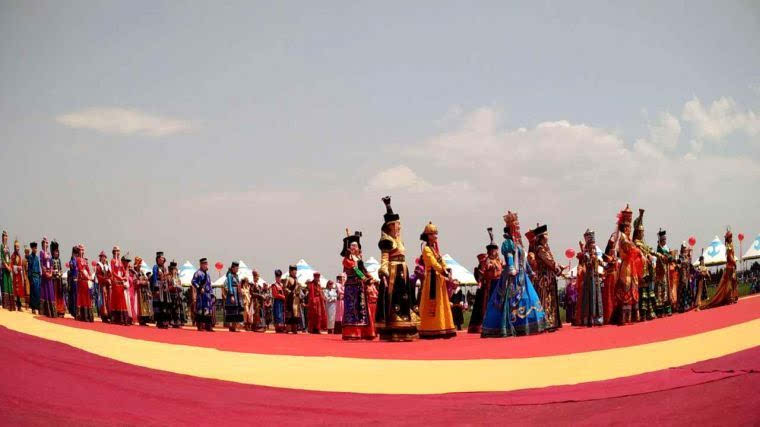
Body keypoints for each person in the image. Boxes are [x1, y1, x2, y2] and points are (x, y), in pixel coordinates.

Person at [375, 196, 418, 341]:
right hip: (393, 272)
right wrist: (384, 274)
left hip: (402, 270)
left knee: (405, 298)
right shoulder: (386, 241)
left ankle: (406, 329)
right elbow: (384, 259)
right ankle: (394, 330)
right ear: (390, 226)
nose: (398, 227)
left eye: (399, 225)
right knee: (395, 299)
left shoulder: (399, 240)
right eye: (396, 225)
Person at [418, 222, 456, 339]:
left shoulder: (435, 250)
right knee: (432, 303)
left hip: (439, 278)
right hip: (432, 279)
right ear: (428, 236)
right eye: (433, 234)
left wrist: (447, 271)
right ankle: (431, 328)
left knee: (442, 302)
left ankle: (442, 327)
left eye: (436, 234)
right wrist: (443, 271)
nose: (436, 236)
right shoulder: (427, 249)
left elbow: (440, 261)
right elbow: (433, 263)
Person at [341, 231, 376, 340]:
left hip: (360, 287)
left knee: (362, 310)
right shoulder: (347, 260)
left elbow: (363, 270)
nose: (354, 248)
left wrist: (370, 277)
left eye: (356, 246)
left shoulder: (359, 260)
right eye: (352, 246)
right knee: (352, 310)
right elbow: (355, 270)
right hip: (351, 287)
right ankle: (352, 333)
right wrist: (365, 279)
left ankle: (365, 332)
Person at [614, 205, 643, 325]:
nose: (630, 229)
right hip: (626, 266)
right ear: (625, 229)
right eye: (629, 227)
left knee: (633, 287)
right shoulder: (624, 239)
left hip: (631, 267)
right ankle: (625, 317)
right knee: (626, 288)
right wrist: (638, 251)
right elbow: (632, 250)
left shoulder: (628, 239)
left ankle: (633, 315)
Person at [533, 224, 564, 331]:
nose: (548, 236)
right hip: (544, 278)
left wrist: (558, 267)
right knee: (545, 299)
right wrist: (558, 268)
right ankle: (545, 323)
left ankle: (551, 322)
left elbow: (551, 261)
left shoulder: (545, 247)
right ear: (542, 236)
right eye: (546, 234)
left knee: (550, 299)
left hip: (549, 276)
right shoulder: (540, 249)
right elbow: (549, 261)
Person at [702, 229, 738, 309]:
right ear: (728, 238)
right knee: (729, 283)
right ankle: (729, 298)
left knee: (733, 282)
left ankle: (732, 297)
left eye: (731, 236)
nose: (731, 238)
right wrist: (734, 262)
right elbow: (729, 256)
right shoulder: (728, 246)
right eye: (730, 237)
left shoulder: (730, 244)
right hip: (729, 266)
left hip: (731, 266)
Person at [632, 209, 656, 321]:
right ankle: (643, 314)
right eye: (641, 232)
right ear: (638, 233)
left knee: (649, 292)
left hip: (648, 270)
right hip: (640, 270)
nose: (643, 234)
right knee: (643, 294)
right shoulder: (636, 243)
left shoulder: (642, 243)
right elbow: (642, 252)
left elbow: (649, 251)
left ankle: (650, 312)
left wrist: (657, 255)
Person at [578, 229, 603, 326]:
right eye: (592, 247)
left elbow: (603, 264)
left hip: (596, 279)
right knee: (589, 298)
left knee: (597, 297)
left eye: (594, 247)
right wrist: (590, 259)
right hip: (589, 279)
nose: (593, 249)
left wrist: (609, 264)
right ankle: (589, 319)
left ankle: (598, 318)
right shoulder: (587, 255)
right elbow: (587, 264)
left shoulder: (596, 256)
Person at [653, 229, 674, 317]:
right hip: (660, 272)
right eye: (663, 240)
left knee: (666, 291)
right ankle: (660, 312)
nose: (665, 241)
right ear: (660, 240)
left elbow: (669, 257)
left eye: (665, 239)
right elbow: (663, 254)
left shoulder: (666, 248)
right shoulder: (659, 249)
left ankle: (667, 310)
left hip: (666, 272)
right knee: (660, 291)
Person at [191, 258, 214, 331]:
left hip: (207, 296)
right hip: (201, 295)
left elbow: (210, 285)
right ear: (201, 264)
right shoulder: (197, 273)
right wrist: (200, 288)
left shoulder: (208, 275)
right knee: (200, 310)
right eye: (205, 264)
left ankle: (208, 326)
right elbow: (193, 281)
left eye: (207, 264)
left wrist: (212, 294)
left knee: (208, 310)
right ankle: (200, 326)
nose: (206, 265)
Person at [108, 247, 130, 325]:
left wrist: (125, 277)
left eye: (119, 251)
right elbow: (113, 272)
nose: (118, 252)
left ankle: (123, 319)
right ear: (113, 252)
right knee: (116, 300)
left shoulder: (120, 262)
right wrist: (119, 277)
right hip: (116, 283)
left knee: (122, 300)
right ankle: (115, 319)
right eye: (116, 251)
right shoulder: (112, 261)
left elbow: (124, 271)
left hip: (121, 283)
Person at [468, 253, 488, 333]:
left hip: (487, 289)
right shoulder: (477, 269)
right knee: (479, 308)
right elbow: (478, 280)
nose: (483, 261)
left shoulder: (487, 268)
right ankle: (477, 326)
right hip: (481, 290)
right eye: (482, 260)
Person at [223, 261, 244, 332]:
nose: (237, 269)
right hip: (232, 293)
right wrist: (231, 295)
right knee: (231, 310)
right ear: (233, 268)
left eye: (238, 268)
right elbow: (229, 285)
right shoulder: (230, 275)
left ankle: (234, 326)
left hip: (237, 294)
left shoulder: (236, 276)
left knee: (236, 310)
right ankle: (231, 326)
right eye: (236, 268)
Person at [132, 256, 153, 325]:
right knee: (138, 305)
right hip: (137, 291)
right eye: (139, 264)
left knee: (144, 305)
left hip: (143, 291)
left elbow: (146, 279)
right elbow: (135, 281)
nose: (140, 266)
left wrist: (145, 281)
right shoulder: (133, 272)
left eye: (140, 264)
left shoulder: (141, 272)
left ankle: (144, 319)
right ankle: (139, 319)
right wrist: (142, 282)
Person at [151, 252, 169, 328]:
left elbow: (166, 277)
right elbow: (154, 277)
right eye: (161, 258)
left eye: (163, 258)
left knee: (164, 305)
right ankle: (159, 321)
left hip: (164, 287)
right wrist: (155, 288)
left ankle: (164, 321)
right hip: (158, 286)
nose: (162, 259)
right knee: (157, 305)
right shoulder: (155, 267)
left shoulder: (164, 268)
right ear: (158, 259)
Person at [75, 245, 93, 321]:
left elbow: (88, 269)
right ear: (78, 251)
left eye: (83, 250)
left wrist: (90, 275)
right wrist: (87, 276)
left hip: (86, 281)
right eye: (81, 250)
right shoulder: (78, 259)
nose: (82, 251)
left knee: (87, 297)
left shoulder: (85, 260)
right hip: (81, 280)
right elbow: (80, 269)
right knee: (81, 297)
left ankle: (88, 315)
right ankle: (82, 315)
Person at [39, 238, 56, 317]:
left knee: (51, 291)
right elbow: (42, 263)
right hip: (45, 275)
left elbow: (51, 264)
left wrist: (51, 272)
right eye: (45, 243)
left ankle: (52, 312)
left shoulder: (49, 253)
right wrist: (45, 273)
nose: (46, 244)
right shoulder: (41, 252)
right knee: (45, 291)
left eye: (47, 243)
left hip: (49, 274)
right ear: (42, 244)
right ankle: (45, 311)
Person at [677, 244, 695, 312]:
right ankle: (681, 306)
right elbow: (680, 264)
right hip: (682, 276)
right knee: (682, 291)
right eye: (683, 248)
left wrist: (690, 256)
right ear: (681, 249)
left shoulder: (686, 256)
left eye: (685, 248)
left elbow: (689, 264)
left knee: (688, 290)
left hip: (687, 276)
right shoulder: (680, 257)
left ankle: (688, 305)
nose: (685, 249)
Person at [95, 251, 112, 322]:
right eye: (102, 257)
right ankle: (103, 316)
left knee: (108, 299)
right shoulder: (98, 266)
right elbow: (98, 276)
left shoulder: (107, 266)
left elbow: (110, 274)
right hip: (102, 285)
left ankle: (108, 314)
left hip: (107, 286)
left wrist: (109, 279)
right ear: (100, 258)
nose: (104, 259)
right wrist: (106, 280)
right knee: (103, 300)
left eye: (105, 257)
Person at [283, 265, 301, 334]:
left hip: (296, 299)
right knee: (289, 313)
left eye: (296, 270)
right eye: (294, 270)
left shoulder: (296, 279)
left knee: (295, 314)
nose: (295, 272)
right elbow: (284, 288)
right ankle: (288, 329)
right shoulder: (288, 278)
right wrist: (290, 292)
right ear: (290, 271)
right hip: (290, 298)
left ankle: (294, 329)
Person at [167, 261, 185, 328]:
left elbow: (180, 285)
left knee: (177, 309)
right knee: (170, 308)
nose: (175, 271)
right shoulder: (168, 277)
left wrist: (179, 286)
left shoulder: (177, 278)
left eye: (176, 269)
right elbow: (166, 287)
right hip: (170, 295)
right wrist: (172, 287)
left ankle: (177, 321)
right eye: (174, 269)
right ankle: (170, 321)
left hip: (177, 295)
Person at [51, 241, 66, 317]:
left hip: (59, 279)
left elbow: (60, 268)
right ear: (53, 253)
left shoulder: (59, 260)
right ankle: (55, 309)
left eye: (57, 252)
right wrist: (54, 272)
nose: (56, 253)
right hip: (54, 280)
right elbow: (51, 269)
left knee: (60, 295)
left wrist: (60, 272)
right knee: (55, 295)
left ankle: (61, 310)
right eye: (55, 252)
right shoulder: (51, 260)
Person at [11, 240, 25, 311]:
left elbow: (21, 264)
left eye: (18, 247)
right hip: (15, 274)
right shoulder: (13, 256)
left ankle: (19, 305)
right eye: (16, 247)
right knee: (15, 289)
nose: (18, 248)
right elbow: (12, 265)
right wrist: (17, 267)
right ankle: (16, 304)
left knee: (20, 290)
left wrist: (20, 268)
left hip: (19, 275)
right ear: (14, 247)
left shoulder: (19, 255)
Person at [27, 242, 41, 314]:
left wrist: (40, 276)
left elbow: (38, 267)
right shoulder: (30, 257)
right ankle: (33, 308)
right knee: (33, 293)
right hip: (32, 277)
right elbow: (29, 268)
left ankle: (38, 307)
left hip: (37, 277)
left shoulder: (37, 257)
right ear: (32, 248)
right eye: (34, 248)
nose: (35, 249)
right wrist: (30, 278)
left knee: (38, 293)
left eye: (36, 248)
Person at [1, 231, 12, 311]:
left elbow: (10, 257)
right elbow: (2, 257)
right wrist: (7, 266)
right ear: (2, 237)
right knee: (4, 284)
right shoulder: (1, 246)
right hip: (4, 268)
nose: (6, 237)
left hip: (9, 268)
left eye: (7, 236)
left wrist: (10, 266)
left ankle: (10, 304)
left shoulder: (8, 247)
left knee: (9, 284)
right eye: (5, 236)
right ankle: (5, 304)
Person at [67, 246, 79, 317]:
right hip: (74, 279)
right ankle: (74, 311)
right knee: (74, 295)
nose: (76, 254)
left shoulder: (77, 260)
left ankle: (77, 310)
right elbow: (71, 269)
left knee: (77, 295)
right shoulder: (72, 261)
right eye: (75, 253)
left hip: (77, 279)